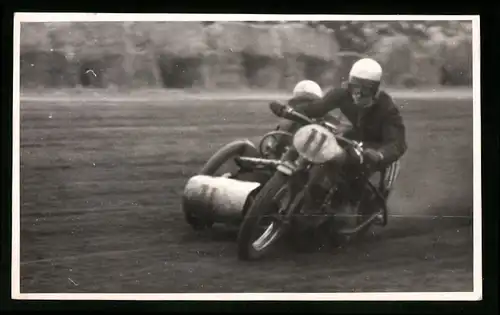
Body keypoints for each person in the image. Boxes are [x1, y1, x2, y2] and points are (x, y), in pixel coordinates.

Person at [272, 58, 408, 228]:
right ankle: (312, 197)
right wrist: (287, 110)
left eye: (365, 90)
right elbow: (316, 108)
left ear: (375, 89)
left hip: (376, 147)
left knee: (357, 170)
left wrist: (380, 155)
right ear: (349, 84)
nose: (358, 93)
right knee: (326, 155)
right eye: (354, 87)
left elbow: (398, 143)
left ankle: (349, 207)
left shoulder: (387, 108)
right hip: (353, 137)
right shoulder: (341, 94)